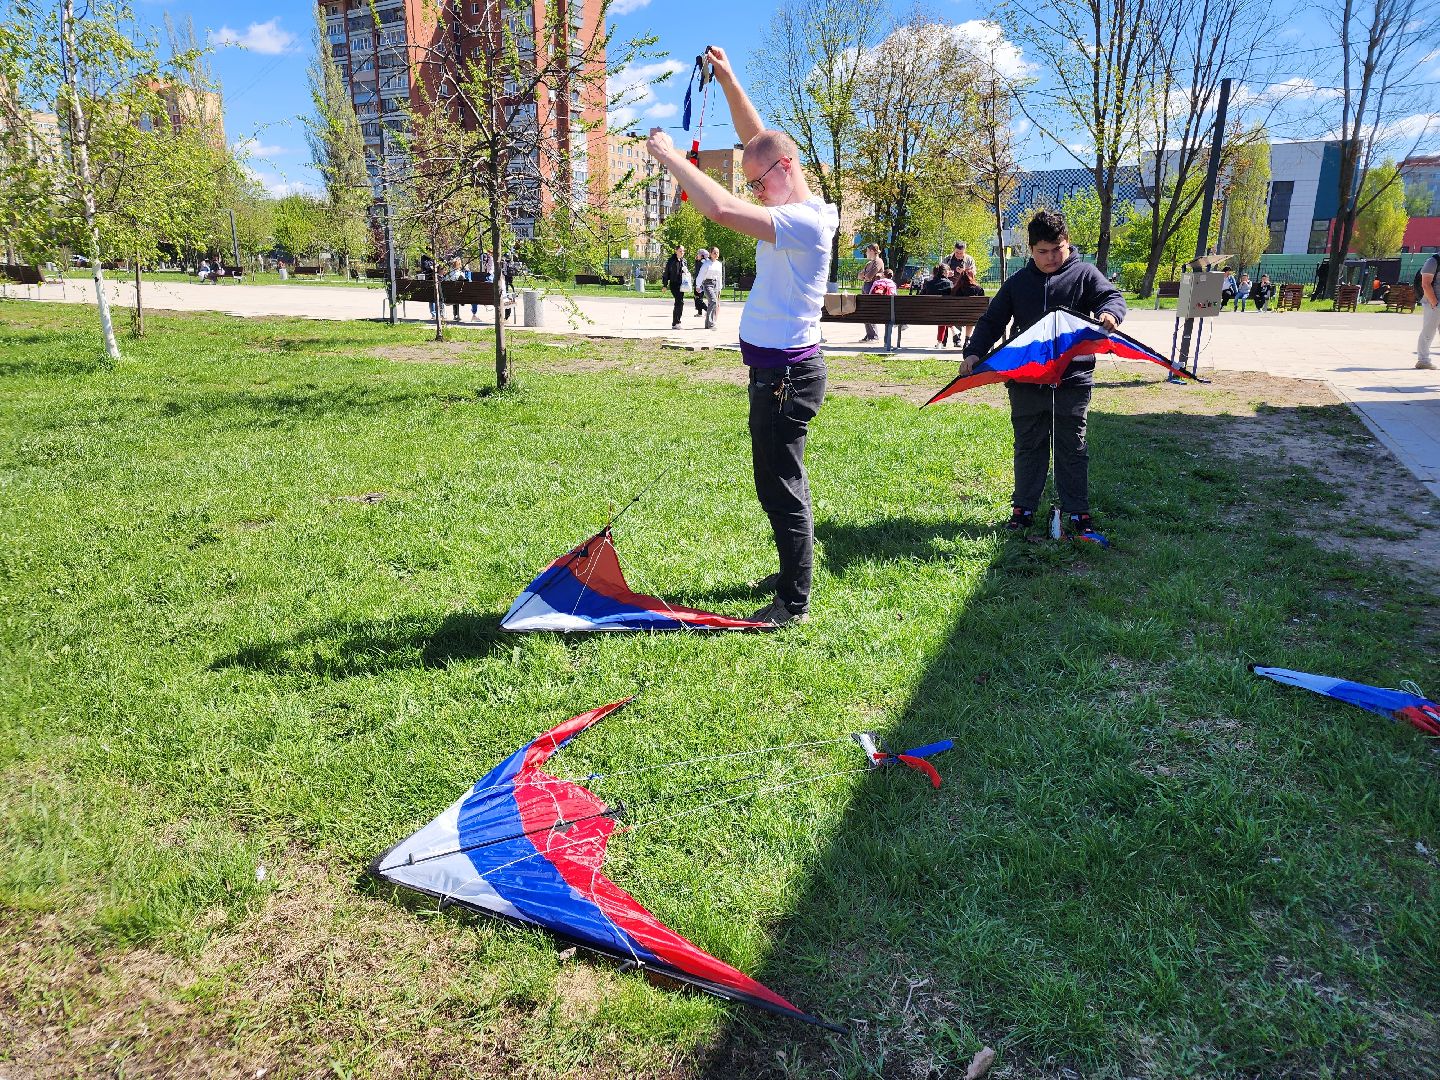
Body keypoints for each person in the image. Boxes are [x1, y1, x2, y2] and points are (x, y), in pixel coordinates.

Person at [646, 44, 838, 626]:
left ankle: (794, 599)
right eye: (751, 185)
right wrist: (729, 79)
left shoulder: (806, 221)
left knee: (780, 483)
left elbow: (724, 211)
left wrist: (670, 158)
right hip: (776, 371)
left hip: (787, 376)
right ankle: (791, 572)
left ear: (787, 170)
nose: (754, 191)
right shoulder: (787, 189)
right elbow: (759, 141)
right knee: (775, 479)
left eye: (759, 183)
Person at [960, 209, 1125, 539]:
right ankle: (1023, 509)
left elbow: (1111, 296)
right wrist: (974, 352)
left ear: (1068, 242)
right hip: (1026, 379)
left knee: (1072, 446)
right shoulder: (1018, 283)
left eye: (1057, 249)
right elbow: (992, 321)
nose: (1050, 258)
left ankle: (1078, 512)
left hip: (1072, 378)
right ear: (1031, 250)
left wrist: (1110, 312)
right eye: (1042, 251)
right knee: (1029, 444)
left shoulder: (1085, 274)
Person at [949, 266, 985, 349]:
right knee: (971, 315)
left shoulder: (955, 290)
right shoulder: (978, 289)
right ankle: (967, 339)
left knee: (960, 313)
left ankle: (956, 335)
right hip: (972, 317)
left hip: (956, 316)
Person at [920, 263, 953, 347]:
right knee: (944, 313)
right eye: (948, 271)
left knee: (941, 312)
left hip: (927, 314)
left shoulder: (928, 283)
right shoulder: (949, 283)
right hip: (944, 315)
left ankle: (940, 341)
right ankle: (942, 339)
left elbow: (920, 296)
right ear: (944, 272)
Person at [1418, 253, 1439, 370]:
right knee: (1428, 332)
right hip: (1433, 304)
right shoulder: (1433, 261)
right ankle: (1423, 360)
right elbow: (1425, 284)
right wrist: (1435, 303)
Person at [859, 243, 883, 343]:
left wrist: (865, 275)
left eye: (867, 251)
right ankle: (869, 334)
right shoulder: (869, 263)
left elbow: (869, 276)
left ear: (872, 251)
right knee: (865, 311)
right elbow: (859, 276)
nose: (866, 253)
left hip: (872, 288)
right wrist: (865, 276)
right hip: (866, 287)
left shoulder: (878, 262)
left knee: (870, 311)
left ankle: (874, 336)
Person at [662, 244, 687, 330]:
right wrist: (665, 285)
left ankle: (675, 323)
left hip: (682, 284)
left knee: (679, 302)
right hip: (674, 284)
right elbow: (666, 273)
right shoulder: (671, 261)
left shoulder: (684, 261)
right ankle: (677, 322)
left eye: (683, 251)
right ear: (676, 251)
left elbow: (685, 272)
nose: (682, 252)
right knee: (679, 301)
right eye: (680, 251)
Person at [444, 257, 468, 323]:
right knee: (457, 295)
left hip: (450, 295)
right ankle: (457, 313)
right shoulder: (460, 273)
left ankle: (455, 315)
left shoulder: (449, 274)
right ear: (459, 265)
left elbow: (445, 282)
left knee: (455, 295)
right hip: (460, 296)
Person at [694, 249, 710, 318]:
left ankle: (708, 310)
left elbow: (700, 273)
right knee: (697, 298)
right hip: (698, 282)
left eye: (698, 254)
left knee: (698, 299)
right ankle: (699, 312)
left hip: (700, 283)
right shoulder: (701, 261)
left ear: (702, 255)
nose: (697, 255)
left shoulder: (703, 263)